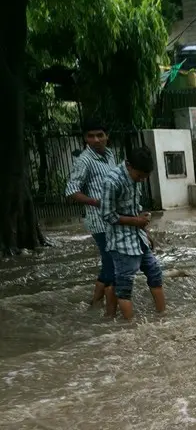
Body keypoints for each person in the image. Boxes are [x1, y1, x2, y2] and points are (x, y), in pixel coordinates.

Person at [101, 146, 165, 320]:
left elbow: (135, 210)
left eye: (145, 177)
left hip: (138, 239)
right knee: (124, 288)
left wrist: (145, 232)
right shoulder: (112, 181)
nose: (142, 180)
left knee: (155, 274)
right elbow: (107, 215)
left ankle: (163, 318)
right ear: (129, 165)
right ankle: (128, 329)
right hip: (121, 243)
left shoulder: (136, 179)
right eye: (139, 176)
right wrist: (135, 221)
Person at [64, 118, 117, 316]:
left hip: (114, 219)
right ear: (85, 138)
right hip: (98, 221)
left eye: (100, 135)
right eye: (91, 136)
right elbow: (71, 191)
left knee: (108, 263)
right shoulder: (84, 160)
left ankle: (94, 304)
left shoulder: (110, 155)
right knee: (112, 263)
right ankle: (110, 315)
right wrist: (96, 202)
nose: (95, 140)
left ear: (106, 136)